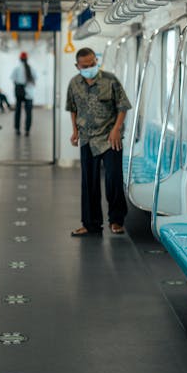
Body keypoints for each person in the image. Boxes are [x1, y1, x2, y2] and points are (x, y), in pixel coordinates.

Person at [66, 47, 131, 237]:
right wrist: (75, 131)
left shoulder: (110, 80)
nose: (90, 67)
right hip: (87, 138)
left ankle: (117, 221)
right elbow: (73, 108)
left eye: (93, 63)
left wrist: (116, 129)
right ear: (77, 66)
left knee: (113, 180)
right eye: (85, 66)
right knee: (89, 183)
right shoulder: (74, 84)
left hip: (110, 138)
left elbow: (123, 106)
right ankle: (90, 224)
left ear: (96, 60)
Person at [11, 52, 37, 135]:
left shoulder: (17, 68)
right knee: (28, 113)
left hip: (19, 93)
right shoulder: (31, 69)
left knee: (18, 111)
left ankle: (17, 129)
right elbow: (35, 80)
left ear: (20, 59)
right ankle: (27, 130)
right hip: (29, 93)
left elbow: (13, 80)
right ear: (27, 59)